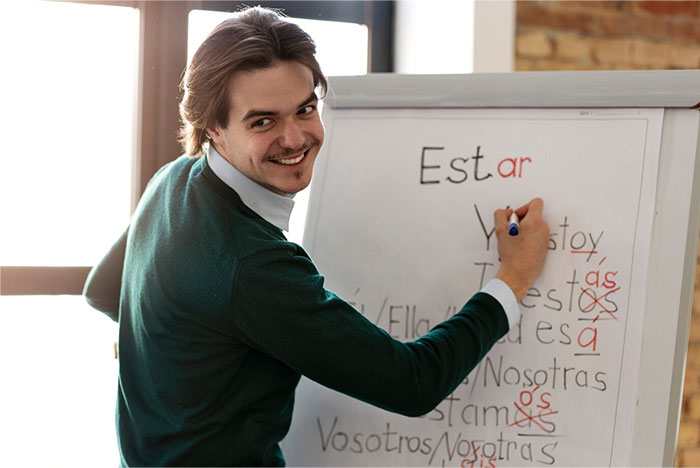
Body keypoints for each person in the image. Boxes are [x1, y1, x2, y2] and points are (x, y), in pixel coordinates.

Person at [84, 6, 550, 467]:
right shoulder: (253, 264)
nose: (295, 138)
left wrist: (162, 358)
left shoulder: (173, 179)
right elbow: (414, 384)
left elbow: (102, 292)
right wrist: (514, 275)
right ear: (214, 130)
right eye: (262, 121)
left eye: (306, 109)